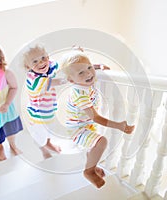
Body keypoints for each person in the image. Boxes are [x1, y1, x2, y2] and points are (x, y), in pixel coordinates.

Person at [59, 49, 135, 188]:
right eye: (81, 72)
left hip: (86, 126)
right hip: (77, 129)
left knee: (95, 146)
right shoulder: (79, 93)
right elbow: (96, 118)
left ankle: (92, 163)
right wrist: (118, 125)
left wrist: (98, 67)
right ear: (71, 80)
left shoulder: (86, 81)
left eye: (89, 68)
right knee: (101, 141)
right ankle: (89, 171)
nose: (88, 73)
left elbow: (88, 68)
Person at [23, 43, 65, 159]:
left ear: (47, 56)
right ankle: (43, 149)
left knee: (49, 129)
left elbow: (61, 65)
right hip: (37, 114)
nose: (41, 63)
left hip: (48, 108)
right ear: (28, 67)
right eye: (35, 62)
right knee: (40, 134)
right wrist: (67, 80)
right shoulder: (33, 79)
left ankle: (48, 143)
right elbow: (50, 83)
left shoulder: (49, 65)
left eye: (43, 58)